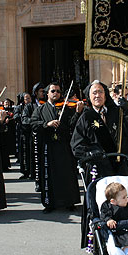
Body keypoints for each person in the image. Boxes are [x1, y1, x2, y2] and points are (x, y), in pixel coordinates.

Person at [71, 80, 128, 248]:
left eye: (100, 92)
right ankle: (101, 243)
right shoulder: (86, 116)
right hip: (99, 168)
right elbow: (76, 145)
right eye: (94, 93)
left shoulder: (118, 112)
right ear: (89, 97)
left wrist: (127, 109)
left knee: (124, 203)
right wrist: (90, 153)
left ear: (105, 95)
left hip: (120, 168)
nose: (97, 95)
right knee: (102, 206)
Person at [31, 82, 82, 213]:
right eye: (53, 91)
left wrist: (77, 112)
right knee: (50, 175)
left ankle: (69, 202)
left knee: (67, 175)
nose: (56, 94)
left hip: (63, 146)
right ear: (47, 93)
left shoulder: (66, 108)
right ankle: (50, 203)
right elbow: (33, 124)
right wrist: (46, 124)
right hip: (49, 147)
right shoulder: (40, 110)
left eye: (58, 91)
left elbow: (72, 124)